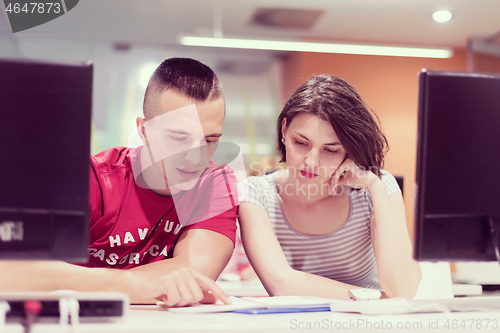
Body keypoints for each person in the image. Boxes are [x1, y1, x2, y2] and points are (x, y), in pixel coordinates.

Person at [0, 58, 238, 307]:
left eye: (210, 140)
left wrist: (75, 281)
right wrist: (124, 284)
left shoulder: (215, 182)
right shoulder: (92, 180)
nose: (195, 157)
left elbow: (195, 274)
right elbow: (10, 269)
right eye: (179, 138)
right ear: (144, 130)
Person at [238, 75, 421, 299]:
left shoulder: (375, 189)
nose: (311, 161)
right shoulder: (255, 194)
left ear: (348, 151)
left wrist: (375, 185)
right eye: (301, 143)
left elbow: (403, 289)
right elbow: (283, 285)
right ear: (285, 129)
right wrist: (377, 298)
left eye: (330, 150)